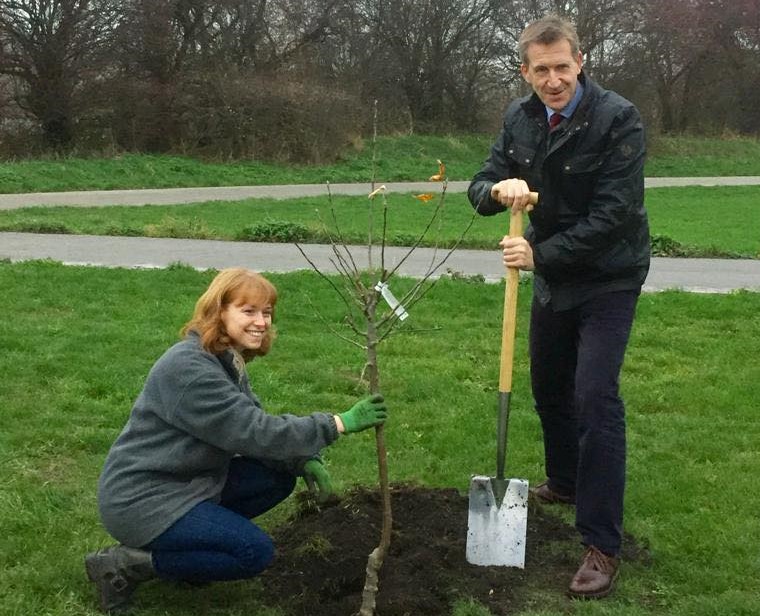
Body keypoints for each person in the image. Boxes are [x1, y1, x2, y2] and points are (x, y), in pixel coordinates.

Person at [468, 14, 649, 599]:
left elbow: (613, 213)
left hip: (608, 276)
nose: (553, 80)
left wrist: (539, 254)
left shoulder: (617, 118)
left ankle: (601, 542)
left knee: (594, 397)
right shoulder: (519, 118)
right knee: (549, 388)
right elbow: (480, 185)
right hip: (550, 278)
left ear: (581, 62)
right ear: (525, 71)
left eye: (562, 68)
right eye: (540, 70)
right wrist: (498, 190)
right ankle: (566, 482)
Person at [84, 267, 388, 613]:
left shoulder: (224, 359)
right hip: (143, 499)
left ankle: (189, 555)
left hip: (187, 482)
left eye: (267, 313)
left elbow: (251, 431)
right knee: (252, 553)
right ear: (218, 312)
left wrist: (299, 459)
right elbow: (254, 430)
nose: (261, 322)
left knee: (276, 477)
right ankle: (124, 564)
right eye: (249, 311)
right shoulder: (190, 370)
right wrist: (337, 424)